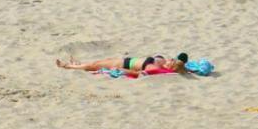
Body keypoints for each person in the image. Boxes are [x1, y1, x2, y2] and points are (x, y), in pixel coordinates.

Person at [57, 52, 188, 77]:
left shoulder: (155, 68)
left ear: (171, 67)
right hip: (126, 60)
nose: (171, 59)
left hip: (124, 64)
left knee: (94, 65)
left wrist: (121, 70)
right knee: (96, 63)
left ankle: (68, 66)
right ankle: (78, 65)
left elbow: (138, 73)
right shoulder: (163, 62)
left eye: (173, 61)